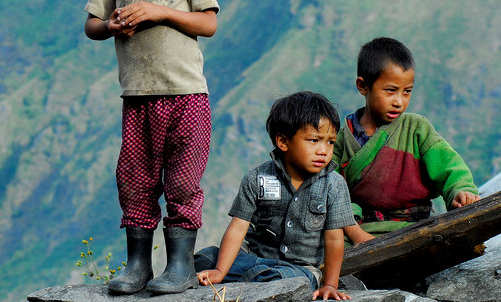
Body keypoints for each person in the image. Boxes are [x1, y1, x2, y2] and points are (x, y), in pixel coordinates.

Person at [83, 0, 219, 295]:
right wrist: (112, 27)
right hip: (138, 97)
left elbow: (208, 23)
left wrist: (160, 11)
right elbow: (91, 24)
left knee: (182, 181)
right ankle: (138, 264)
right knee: (135, 179)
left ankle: (178, 265)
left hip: (187, 96)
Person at [195, 92, 355, 301]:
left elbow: (334, 239)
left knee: (285, 279)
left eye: (330, 142)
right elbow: (238, 227)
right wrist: (220, 271)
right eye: (314, 140)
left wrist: (330, 285)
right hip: (254, 257)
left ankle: (247, 278)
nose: (324, 150)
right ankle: (244, 276)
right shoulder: (257, 178)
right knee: (204, 258)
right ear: (283, 141)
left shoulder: (334, 185)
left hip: (299, 269)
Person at [333, 37, 480, 236]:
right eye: (391, 91)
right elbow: (328, 186)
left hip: (416, 227)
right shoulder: (341, 139)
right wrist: (351, 216)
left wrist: (460, 191)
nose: (399, 102)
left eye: (407, 92)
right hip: (362, 231)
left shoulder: (416, 128)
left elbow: (450, 166)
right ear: (363, 86)